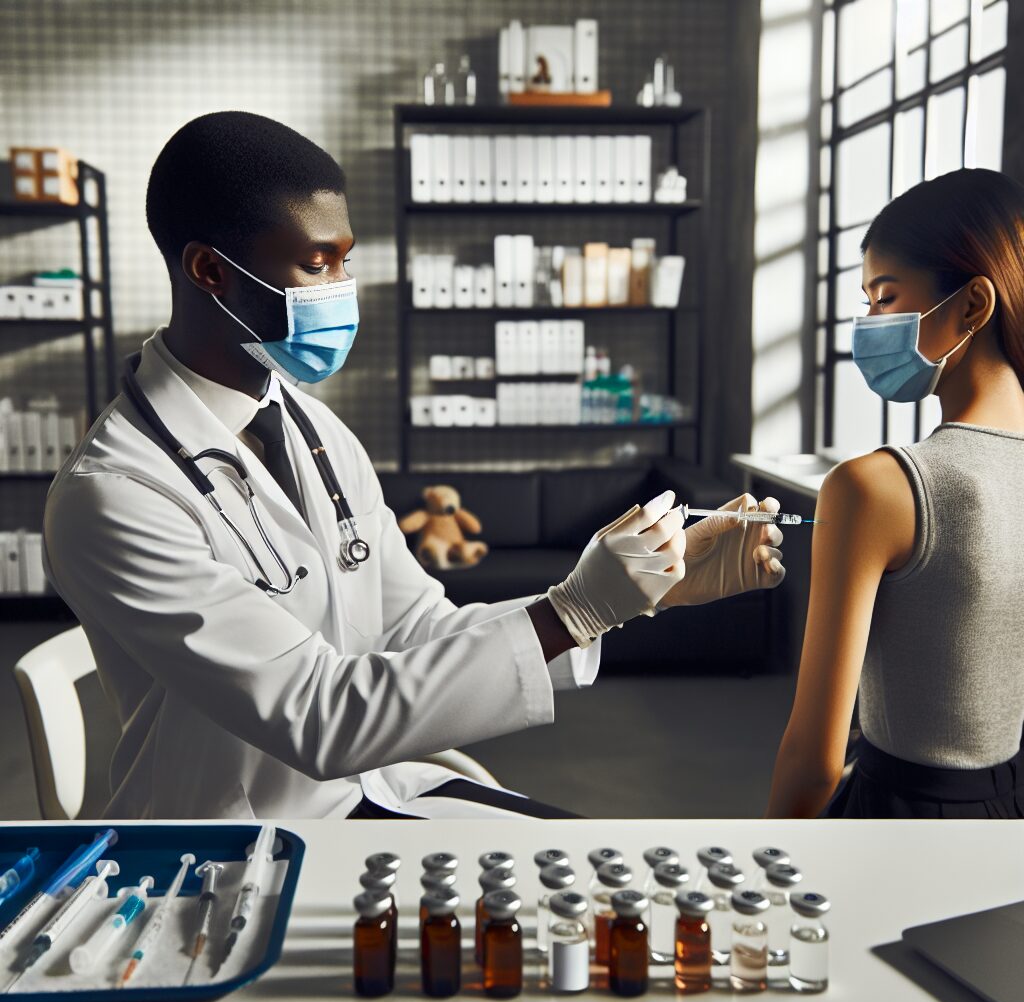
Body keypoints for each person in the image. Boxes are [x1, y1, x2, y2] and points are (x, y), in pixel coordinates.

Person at [43, 111, 786, 820]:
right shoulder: (116, 494)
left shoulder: (311, 425)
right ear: (210, 269)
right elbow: (318, 715)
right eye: (315, 263)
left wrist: (623, 603)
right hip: (236, 845)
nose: (342, 289)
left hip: (378, 793)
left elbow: (415, 626)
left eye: (345, 260)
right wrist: (573, 612)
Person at [767, 168, 1024, 819]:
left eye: (884, 299)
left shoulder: (874, 488)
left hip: (899, 818)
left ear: (972, 304)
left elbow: (814, 757)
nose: (870, 325)